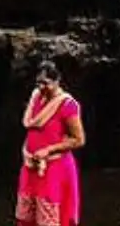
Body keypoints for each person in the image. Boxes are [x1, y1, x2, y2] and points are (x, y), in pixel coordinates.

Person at [17, 61, 85, 226]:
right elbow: (32, 129)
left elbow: (79, 139)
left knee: (50, 217)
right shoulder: (36, 98)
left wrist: (49, 150)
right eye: (38, 83)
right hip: (31, 166)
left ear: (57, 81)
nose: (41, 87)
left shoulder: (67, 105)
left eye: (45, 83)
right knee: (26, 216)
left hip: (54, 169)